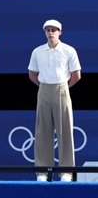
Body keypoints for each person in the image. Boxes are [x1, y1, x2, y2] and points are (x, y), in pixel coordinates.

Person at [28, 19, 81, 182]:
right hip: (43, 89)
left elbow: (76, 75)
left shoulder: (68, 50)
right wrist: (45, 86)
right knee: (42, 131)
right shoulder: (37, 51)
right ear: (45, 32)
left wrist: (62, 87)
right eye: (48, 30)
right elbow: (32, 74)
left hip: (62, 88)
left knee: (65, 130)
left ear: (60, 32)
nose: (51, 32)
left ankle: (66, 172)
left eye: (54, 30)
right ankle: (42, 172)